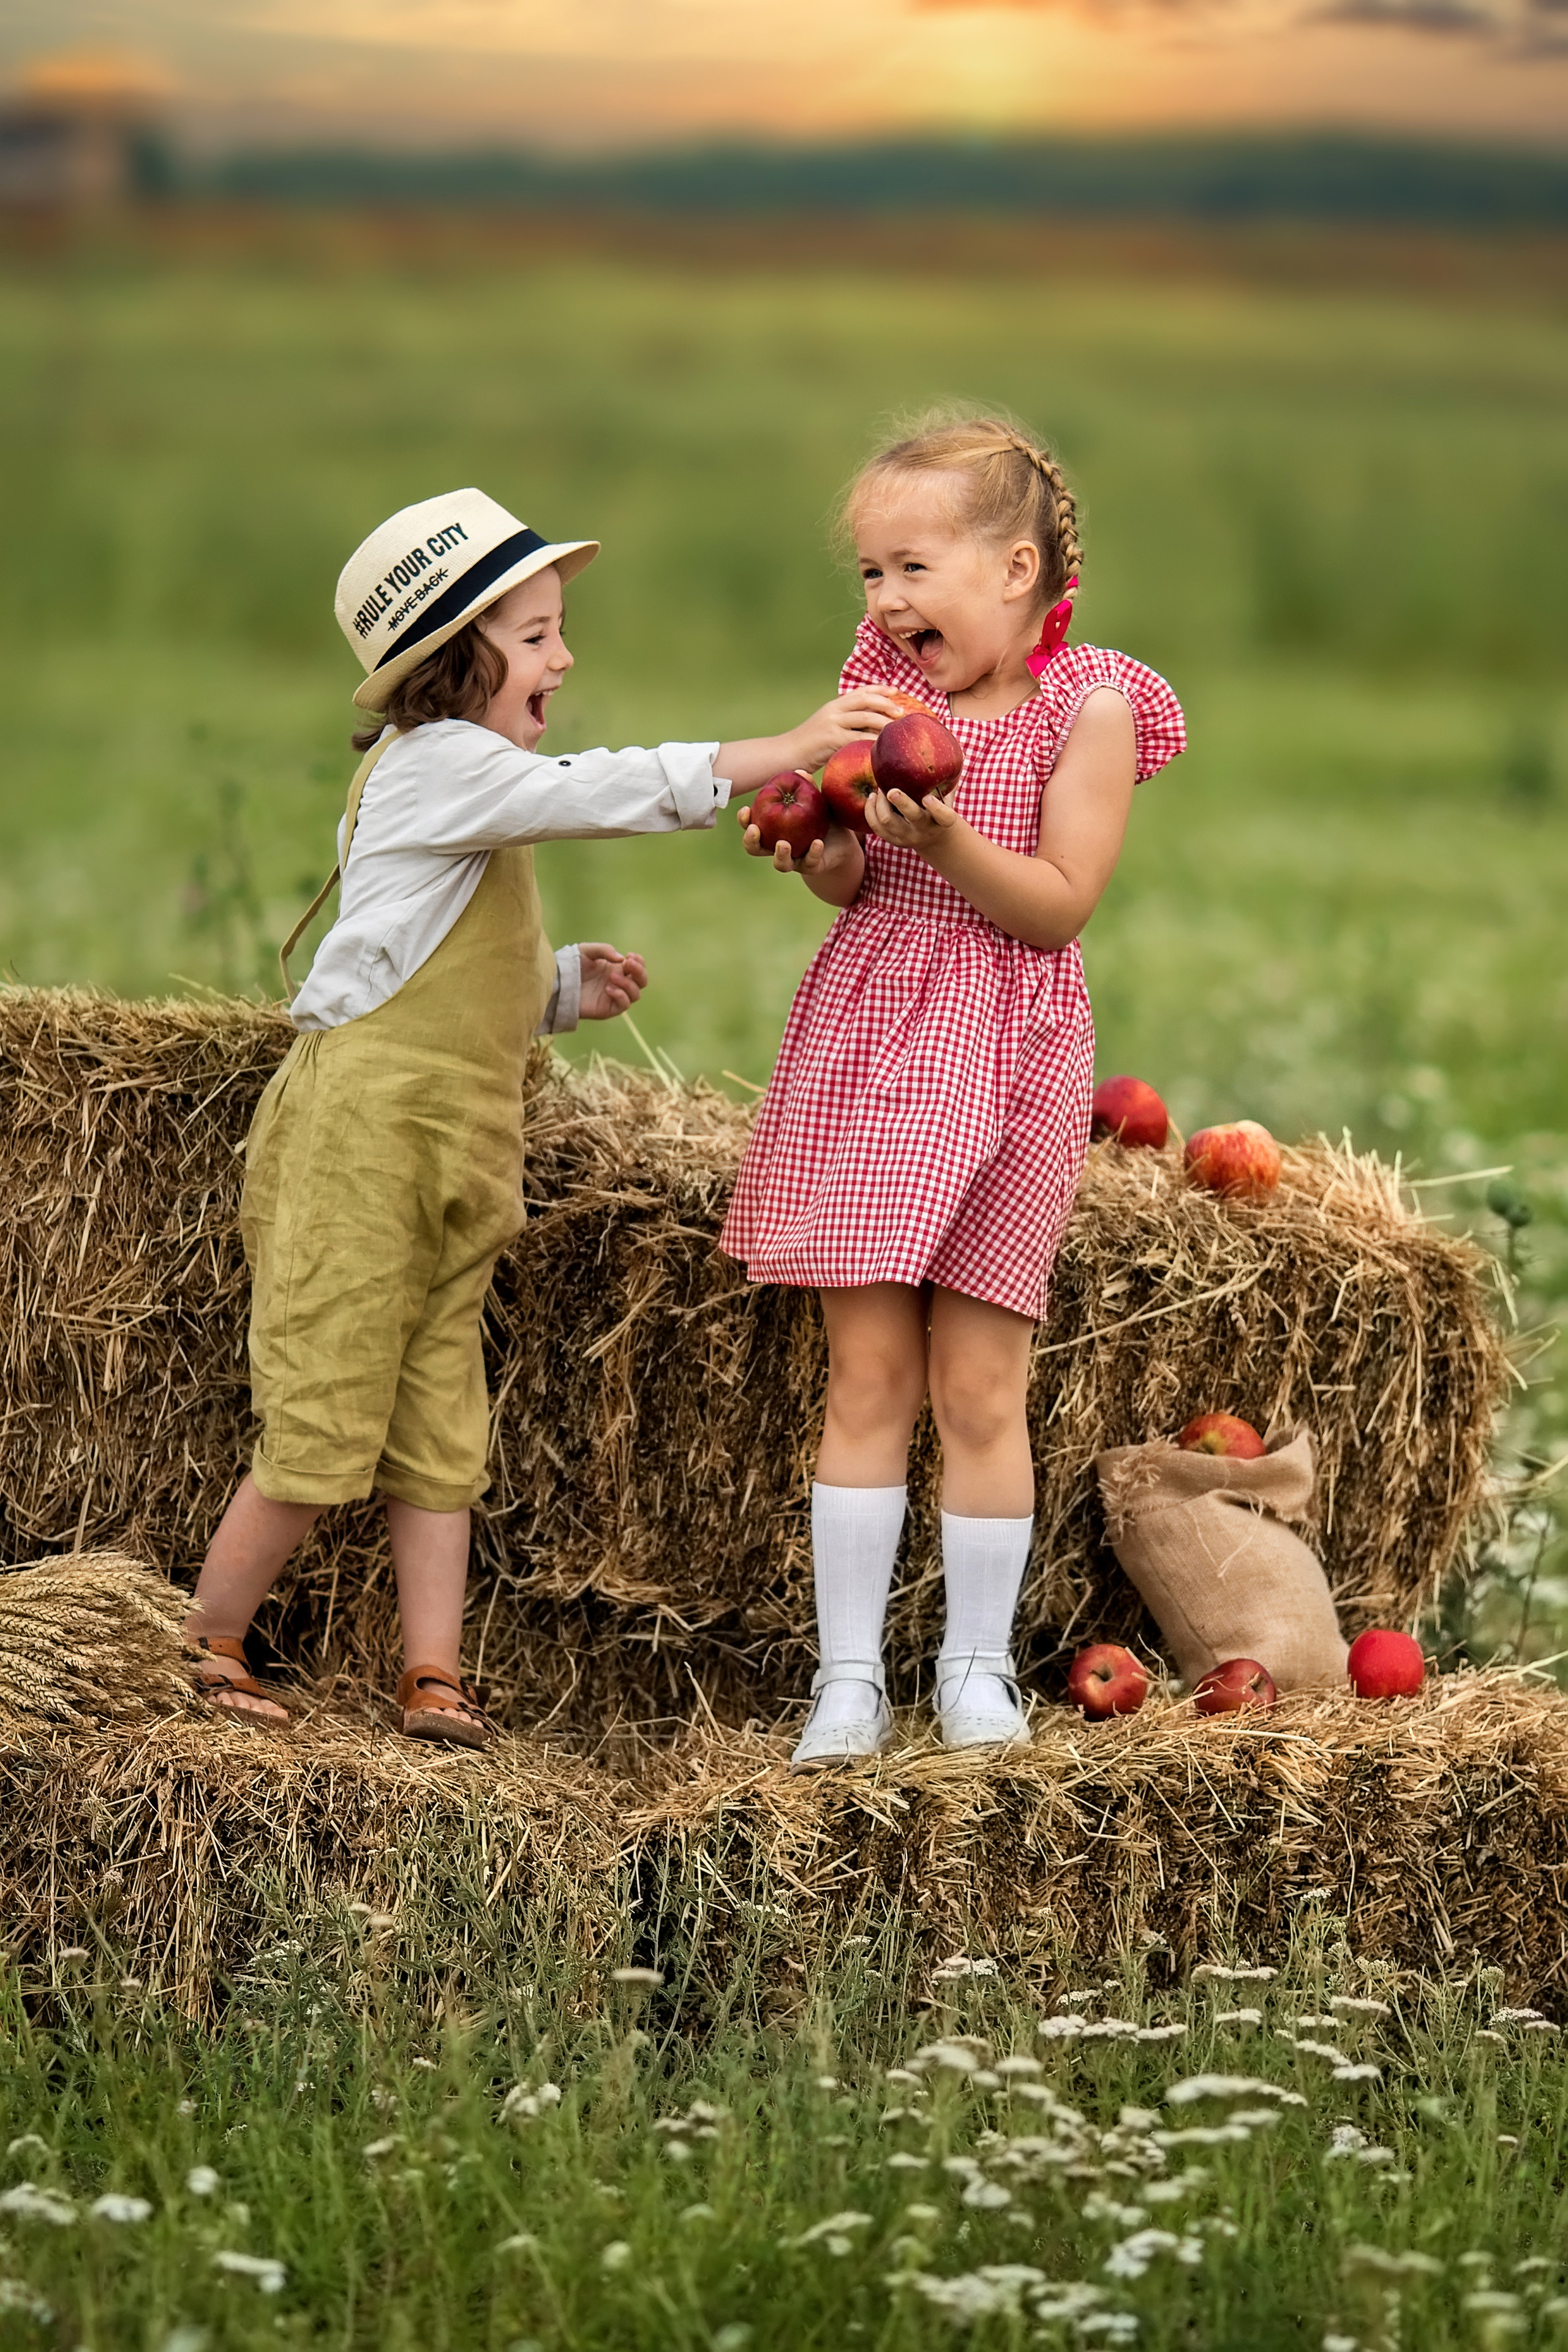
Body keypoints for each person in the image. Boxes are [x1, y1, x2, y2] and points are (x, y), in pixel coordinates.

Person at [186, 487, 899, 1748]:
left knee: (437, 1419)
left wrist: (557, 988)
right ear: (455, 660)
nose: (562, 659)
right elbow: (605, 787)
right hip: (366, 1139)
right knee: (325, 1402)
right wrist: (785, 748)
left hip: (459, 1146)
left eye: (558, 630)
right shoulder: (440, 767)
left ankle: (433, 1675)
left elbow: (424, 960)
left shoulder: (473, 791)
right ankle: (210, 1639)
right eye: (533, 636)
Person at [720, 415, 1185, 1768]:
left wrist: (949, 833)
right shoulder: (880, 704)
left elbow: (1051, 908)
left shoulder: (1086, 706)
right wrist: (820, 853)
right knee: (864, 1374)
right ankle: (847, 1683)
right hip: (875, 1040)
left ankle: (974, 1673)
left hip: (1009, 1050)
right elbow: (863, 880)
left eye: (910, 567)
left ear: (1015, 568)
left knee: (980, 1384)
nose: (884, 601)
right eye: (868, 574)